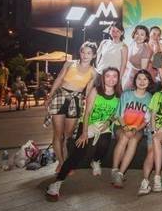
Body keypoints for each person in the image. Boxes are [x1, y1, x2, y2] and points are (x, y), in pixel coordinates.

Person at [46, 67, 121, 201]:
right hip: (88, 123)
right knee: (79, 152)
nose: (111, 79)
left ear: (118, 78)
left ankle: (95, 161)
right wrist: (85, 132)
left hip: (104, 125)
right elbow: (87, 113)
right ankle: (56, 183)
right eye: (108, 76)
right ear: (103, 78)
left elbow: (116, 114)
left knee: (104, 144)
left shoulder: (119, 94)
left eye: (114, 76)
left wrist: (108, 122)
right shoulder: (96, 91)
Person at [44, 42, 98, 171]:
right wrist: (50, 96)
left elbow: (88, 91)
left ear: (94, 55)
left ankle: (66, 161)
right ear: (80, 52)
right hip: (60, 97)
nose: (85, 55)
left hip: (76, 101)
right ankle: (61, 162)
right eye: (83, 52)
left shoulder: (93, 72)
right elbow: (59, 79)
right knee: (58, 134)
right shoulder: (69, 64)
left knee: (67, 136)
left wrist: (87, 106)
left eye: (89, 53)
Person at [111, 69, 154, 188]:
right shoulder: (126, 94)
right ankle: (114, 170)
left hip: (138, 128)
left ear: (149, 82)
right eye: (139, 78)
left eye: (145, 79)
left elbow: (146, 120)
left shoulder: (150, 98)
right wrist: (126, 128)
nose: (142, 81)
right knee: (125, 138)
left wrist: (135, 130)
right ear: (135, 81)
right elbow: (118, 115)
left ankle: (120, 173)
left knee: (133, 140)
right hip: (121, 125)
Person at [123, 25, 153, 89]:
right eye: (137, 33)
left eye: (142, 34)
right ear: (134, 34)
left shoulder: (146, 50)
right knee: (125, 90)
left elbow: (143, 71)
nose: (139, 36)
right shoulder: (132, 43)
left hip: (141, 75)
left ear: (146, 37)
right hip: (131, 71)